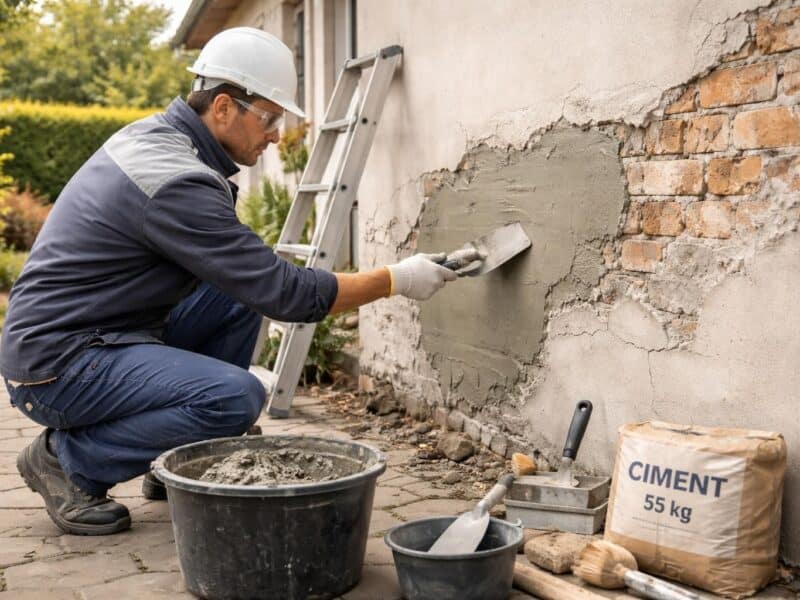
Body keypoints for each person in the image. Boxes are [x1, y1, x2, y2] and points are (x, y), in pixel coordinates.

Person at [0, 27, 478, 536]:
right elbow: (288, 294)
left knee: (236, 297)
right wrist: (397, 279)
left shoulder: (163, 141)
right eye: (269, 118)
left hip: (103, 333)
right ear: (224, 108)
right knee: (234, 398)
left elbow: (254, 283)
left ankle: (175, 456)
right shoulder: (174, 181)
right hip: (56, 365)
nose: (276, 134)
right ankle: (65, 461)